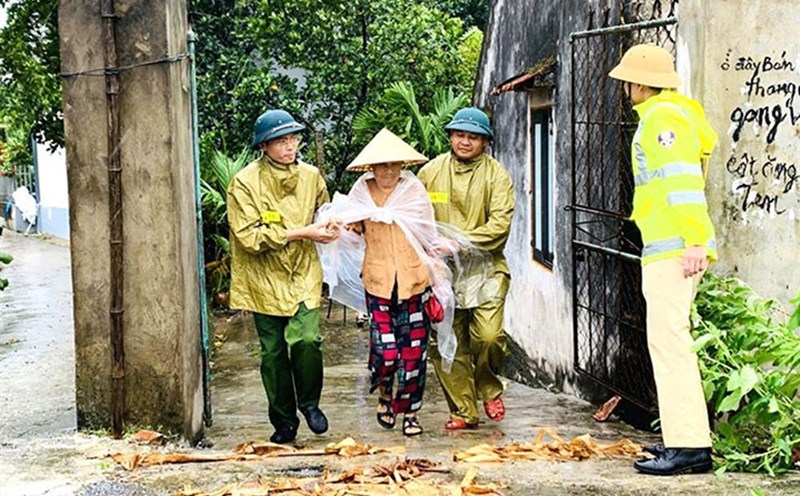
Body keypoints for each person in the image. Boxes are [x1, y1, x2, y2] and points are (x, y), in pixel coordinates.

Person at [608, 44, 718, 475]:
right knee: (668, 345)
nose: (626, 89)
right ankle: (681, 438)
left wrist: (694, 241)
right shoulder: (670, 113)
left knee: (671, 346)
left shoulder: (662, 118)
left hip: (674, 249)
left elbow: (683, 183)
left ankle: (690, 446)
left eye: (628, 82)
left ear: (639, 82)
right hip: (670, 246)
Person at [227, 109, 339, 444]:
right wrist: (303, 232)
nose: (289, 147)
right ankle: (284, 420)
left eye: (293, 139)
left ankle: (310, 404)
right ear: (264, 146)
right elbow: (249, 236)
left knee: (306, 340)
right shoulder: (244, 183)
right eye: (280, 141)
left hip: (302, 271)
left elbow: (324, 211)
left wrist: (332, 225)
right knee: (273, 353)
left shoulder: (311, 177)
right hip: (262, 278)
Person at [417, 107, 515, 430]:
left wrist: (459, 243)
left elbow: (500, 225)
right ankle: (462, 410)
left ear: (485, 141)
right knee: (446, 342)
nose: (464, 142)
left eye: (473, 137)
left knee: (488, 336)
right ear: (450, 136)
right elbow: (413, 212)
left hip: (485, 270)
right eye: (460, 134)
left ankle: (488, 387)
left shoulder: (496, 175)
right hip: (441, 272)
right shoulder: (430, 172)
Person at [342, 129, 436, 437]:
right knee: (386, 350)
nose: (388, 171)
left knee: (413, 354)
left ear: (402, 166)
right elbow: (351, 226)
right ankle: (384, 390)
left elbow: (427, 233)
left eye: (394, 165)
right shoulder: (362, 192)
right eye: (381, 165)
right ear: (371, 167)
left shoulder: (413, 191)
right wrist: (340, 226)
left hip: (414, 282)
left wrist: (439, 269)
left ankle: (409, 411)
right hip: (378, 283)